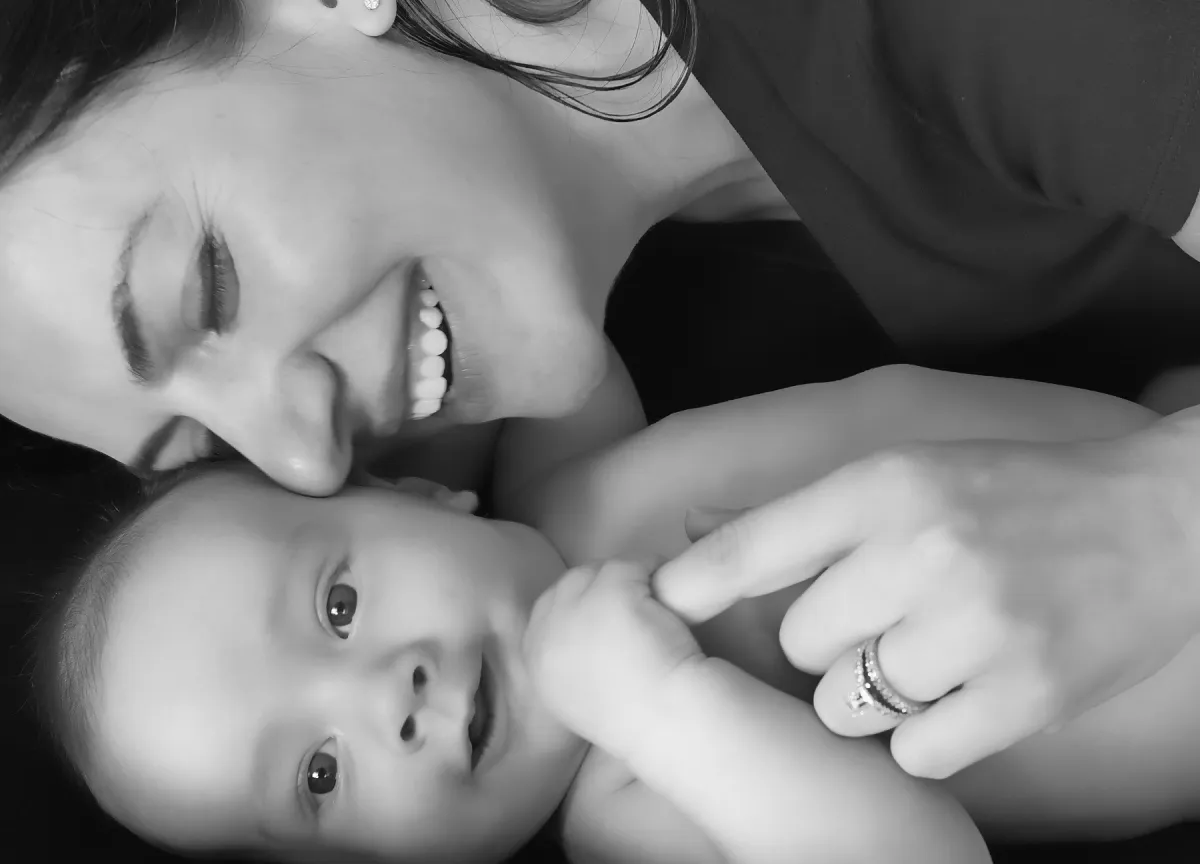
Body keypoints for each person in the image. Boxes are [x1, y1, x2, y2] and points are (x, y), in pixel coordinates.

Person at [8, 0, 1200, 780]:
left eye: (208, 287)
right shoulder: (629, 286)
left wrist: (1163, 520)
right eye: (208, 451)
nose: (307, 460)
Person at [31, 367, 1200, 864]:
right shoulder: (631, 812)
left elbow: (545, 340)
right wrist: (666, 706)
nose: (389, 695)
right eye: (320, 777)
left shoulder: (560, 483)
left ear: (419, 492)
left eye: (339, 601)